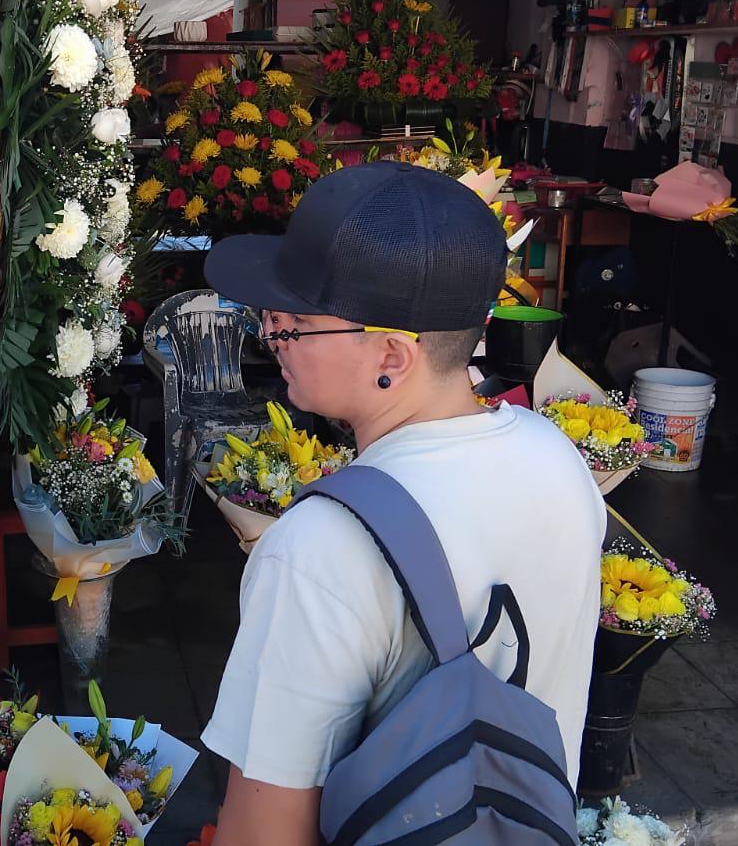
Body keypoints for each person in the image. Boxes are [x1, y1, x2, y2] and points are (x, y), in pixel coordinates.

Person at [198, 162, 605, 844]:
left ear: (391, 352)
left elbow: (263, 833)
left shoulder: (320, 548)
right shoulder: (558, 460)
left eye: (292, 324)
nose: (272, 340)